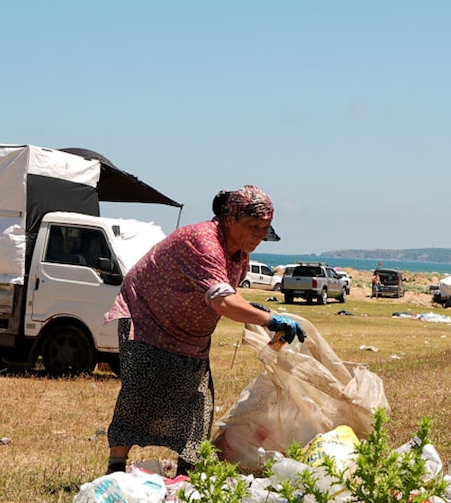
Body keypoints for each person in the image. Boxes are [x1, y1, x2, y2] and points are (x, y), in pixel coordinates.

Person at [103, 185, 304, 476]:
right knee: (140, 393)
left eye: (265, 229)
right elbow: (222, 301)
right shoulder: (203, 241)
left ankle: (188, 472)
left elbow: (228, 291)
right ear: (230, 219)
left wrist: (253, 309)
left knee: (198, 400)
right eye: (254, 226)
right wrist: (269, 319)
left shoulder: (240, 252)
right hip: (149, 319)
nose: (260, 235)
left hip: (190, 333)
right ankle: (116, 467)